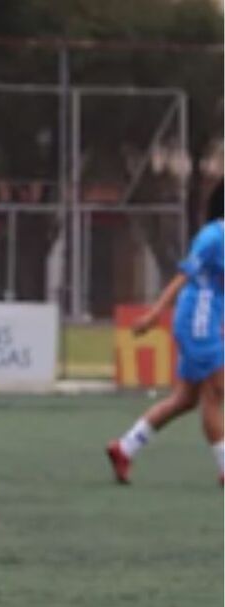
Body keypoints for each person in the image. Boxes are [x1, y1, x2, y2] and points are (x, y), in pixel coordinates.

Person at [107, 182, 224, 484]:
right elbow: (182, 277)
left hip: (207, 320)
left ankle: (125, 448)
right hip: (197, 321)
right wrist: (153, 315)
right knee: (217, 393)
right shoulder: (213, 236)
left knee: (185, 399)